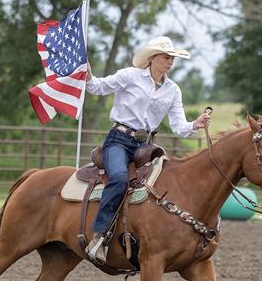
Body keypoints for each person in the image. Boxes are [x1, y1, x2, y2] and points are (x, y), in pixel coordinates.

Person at [83, 35, 211, 265]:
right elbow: (98, 87)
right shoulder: (130, 76)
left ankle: (149, 237)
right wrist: (90, 76)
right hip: (119, 140)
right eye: (166, 57)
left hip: (146, 147)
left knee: (165, 184)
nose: (170, 62)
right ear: (152, 58)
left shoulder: (173, 90)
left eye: (172, 58)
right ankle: (99, 237)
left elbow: (180, 127)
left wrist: (196, 124)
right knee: (120, 179)